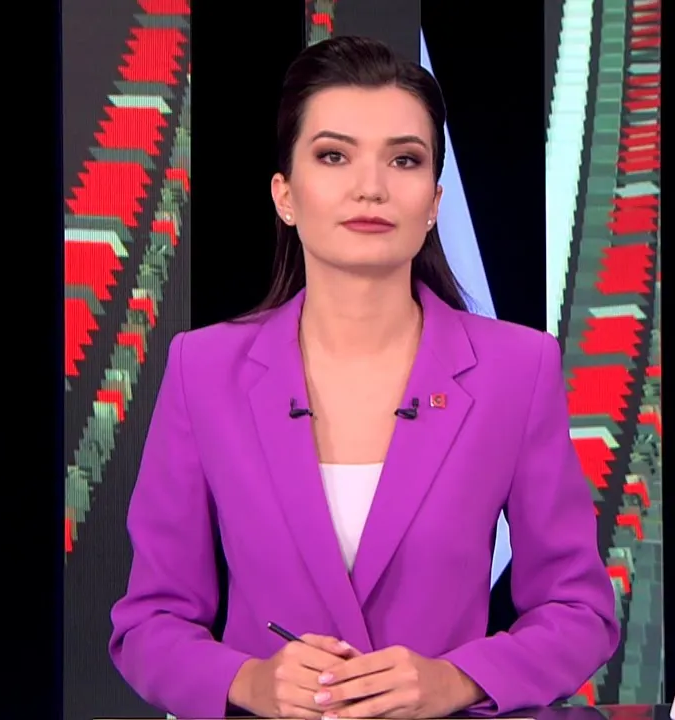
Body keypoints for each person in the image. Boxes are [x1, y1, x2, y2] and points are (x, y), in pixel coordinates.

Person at [109, 36, 619, 719]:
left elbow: (579, 610)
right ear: (285, 195)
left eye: (404, 159)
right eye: (334, 156)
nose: (371, 187)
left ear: (433, 200)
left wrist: (456, 680)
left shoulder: (516, 370)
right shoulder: (203, 370)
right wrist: (250, 683)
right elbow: (149, 623)